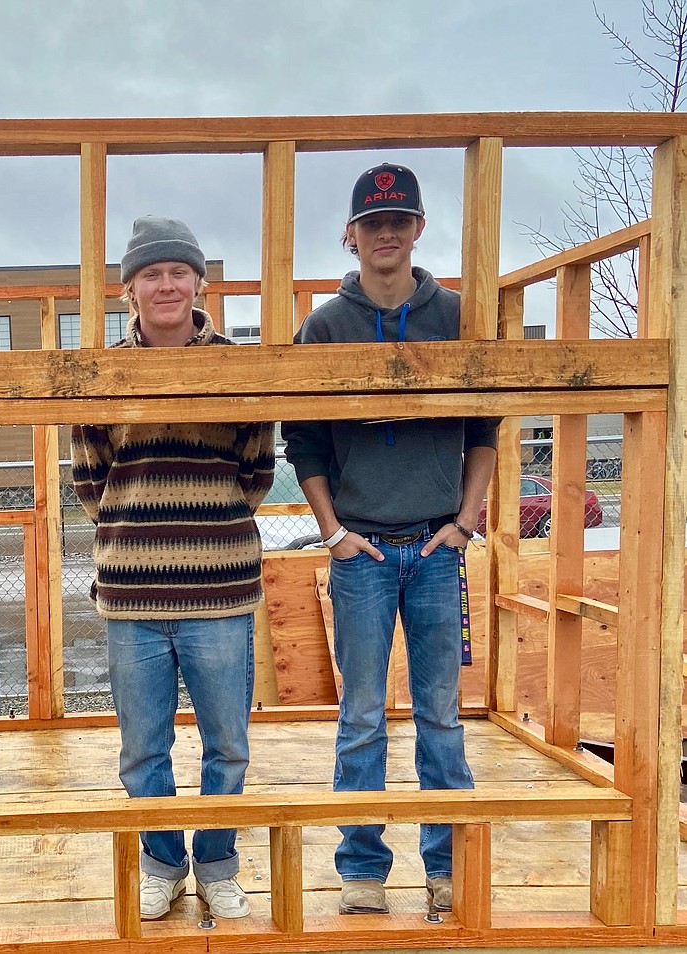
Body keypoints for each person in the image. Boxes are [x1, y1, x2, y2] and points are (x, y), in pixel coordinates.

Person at [282, 163, 498, 916]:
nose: (385, 232)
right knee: (362, 713)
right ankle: (362, 867)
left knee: (442, 713)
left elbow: (486, 429)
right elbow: (302, 442)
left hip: (437, 551)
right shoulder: (323, 327)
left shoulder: (459, 317)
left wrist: (465, 523)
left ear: (418, 229)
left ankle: (448, 865)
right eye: (372, 222)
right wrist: (333, 532)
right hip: (363, 554)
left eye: (398, 219)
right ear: (351, 234)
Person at [71, 216, 275, 921]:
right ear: (129, 289)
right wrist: (140, 531)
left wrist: (203, 525)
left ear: (198, 283)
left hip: (219, 589)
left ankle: (216, 862)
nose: (165, 285)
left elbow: (256, 472)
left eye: (176, 272)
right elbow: (90, 479)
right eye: (150, 274)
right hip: (131, 594)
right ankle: (161, 860)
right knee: (142, 750)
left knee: (227, 743)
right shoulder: (102, 370)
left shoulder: (235, 366)